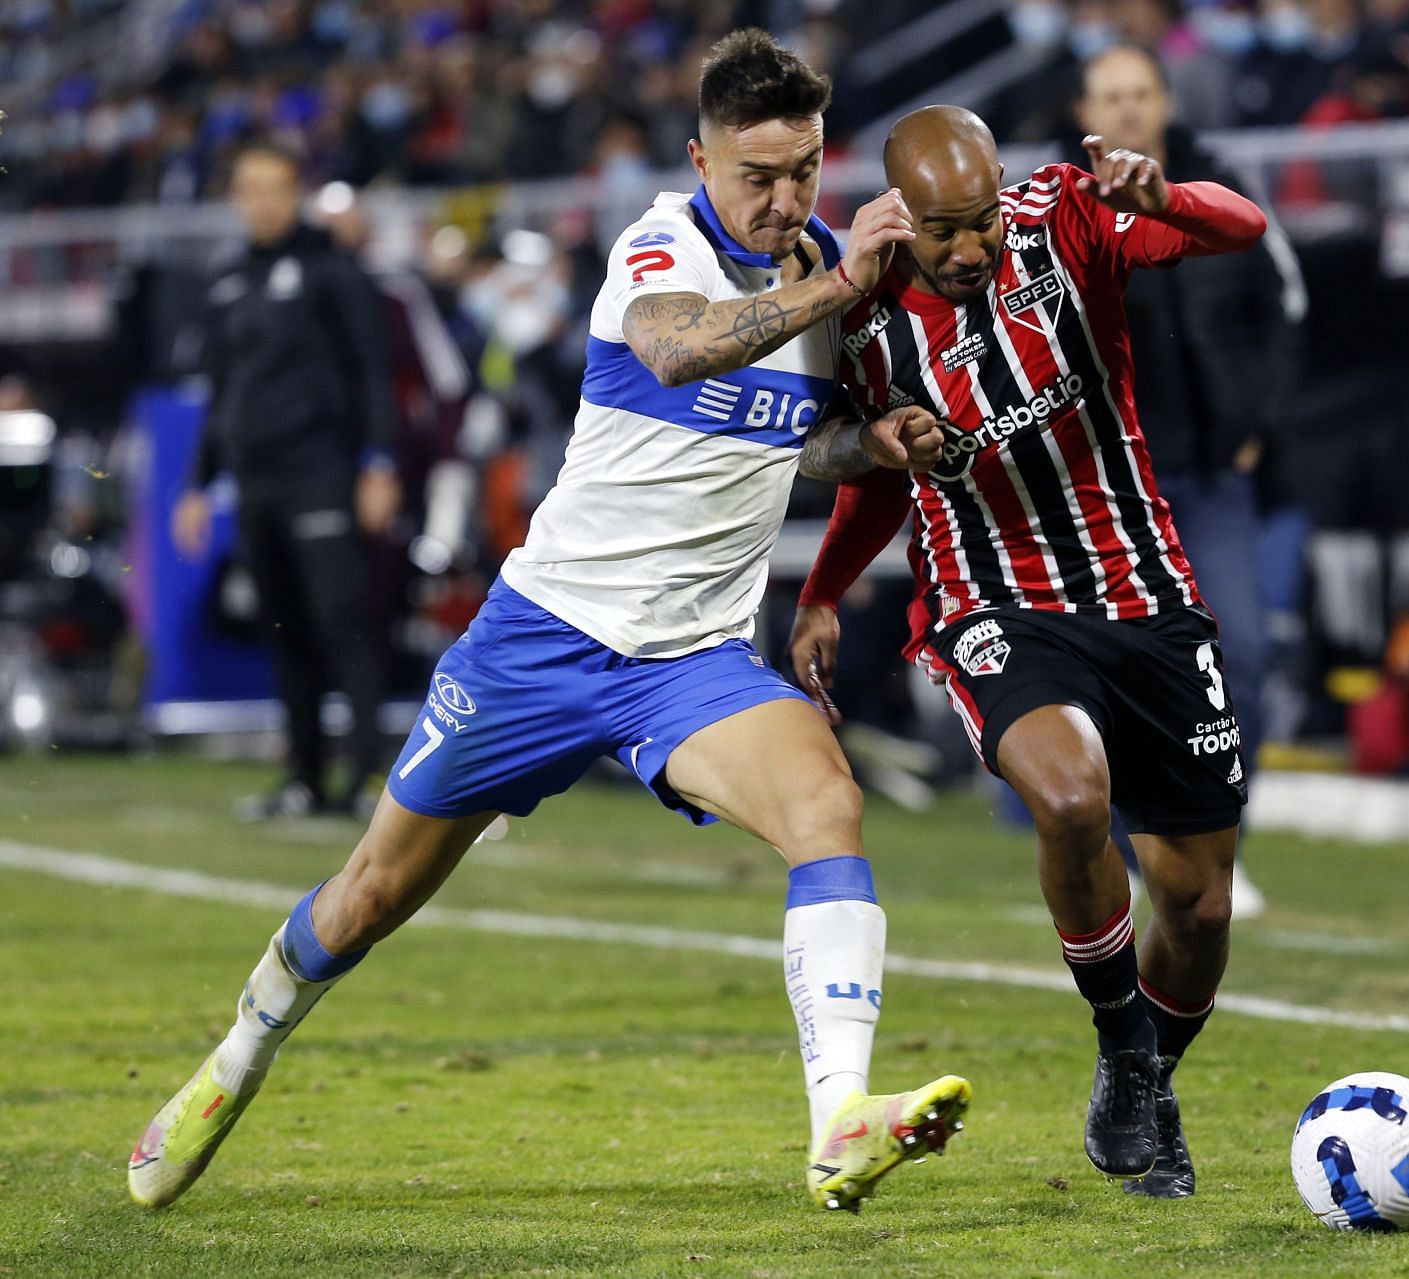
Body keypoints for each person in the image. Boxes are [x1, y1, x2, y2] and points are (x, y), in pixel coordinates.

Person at [130, 30, 968, 1216]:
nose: (785, 200)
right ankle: (238, 1054)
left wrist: (867, 445)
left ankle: (839, 1120)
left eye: (804, 171)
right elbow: (680, 355)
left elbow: (784, 432)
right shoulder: (658, 247)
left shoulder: (829, 268)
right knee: (369, 894)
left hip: (687, 664)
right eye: (758, 176)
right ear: (701, 159)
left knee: (827, 803)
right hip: (542, 639)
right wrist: (834, 285)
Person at [788, 105, 1268, 1199]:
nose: (967, 251)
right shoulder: (856, 301)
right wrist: (824, 590)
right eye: (942, 232)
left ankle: (1133, 1073)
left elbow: (1243, 225)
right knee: (1067, 795)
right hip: (989, 599)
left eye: (979, 225)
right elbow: (866, 469)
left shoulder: (1064, 216)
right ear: (901, 211)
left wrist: (1166, 198)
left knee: (1196, 912)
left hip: (1144, 591)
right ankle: (1129, 1045)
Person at [1074, 41, 1308, 917]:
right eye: (1111, 95)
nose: (1128, 109)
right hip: (1112, 483)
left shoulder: (1220, 185)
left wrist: (1257, 428)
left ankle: (1215, 843)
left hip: (1211, 473)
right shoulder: (1062, 208)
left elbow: (1287, 308)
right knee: (1122, 670)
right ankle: (1124, 847)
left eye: (1141, 93)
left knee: (1240, 654)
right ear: (1085, 110)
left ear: (1166, 102)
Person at [172, 141, 403, 822]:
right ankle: (304, 778)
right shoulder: (227, 279)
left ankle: (367, 777)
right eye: (250, 188)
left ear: (296, 191)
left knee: (341, 619)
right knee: (284, 629)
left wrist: (379, 462)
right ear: (236, 197)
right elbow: (222, 392)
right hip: (255, 479)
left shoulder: (332, 269)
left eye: (275, 187)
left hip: (322, 471)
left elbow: (371, 371)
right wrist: (196, 483)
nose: (264, 201)